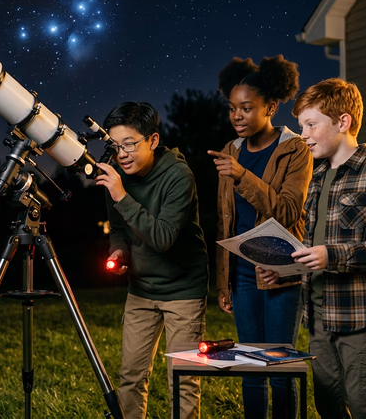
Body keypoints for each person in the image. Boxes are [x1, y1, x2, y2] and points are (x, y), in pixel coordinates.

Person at [257, 78, 366, 418]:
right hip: (319, 320)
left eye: (311, 124)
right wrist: (283, 270)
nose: (304, 134)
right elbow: (313, 252)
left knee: (365, 407)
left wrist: (334, 255)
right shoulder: (317, 180)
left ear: (343, 122)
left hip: (362, 321)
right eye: (300, 126)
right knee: (328, 407)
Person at [207, 55, 312, 419]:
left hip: (281, 269)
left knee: (280, 367)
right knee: (250, 366)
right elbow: (225, 223)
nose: (237, 116)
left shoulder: (295, 149)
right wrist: (224, 282)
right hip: (242, 274)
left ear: (270, 106)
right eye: (232, 108)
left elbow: (287, 211)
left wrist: (241, 176)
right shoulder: (229, 151)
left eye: (247, 108)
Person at [95, 101, 209, 419]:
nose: (122, 154)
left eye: (129, 144)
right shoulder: (116, 176)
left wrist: (122, 196)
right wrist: (118, 252)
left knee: (183, 379)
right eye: (115, 146)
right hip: (142, 288)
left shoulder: (178, 176)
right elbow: (119, 228)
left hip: (183, 288)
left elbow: (162, 238)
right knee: (130, 376)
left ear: (153, 140)